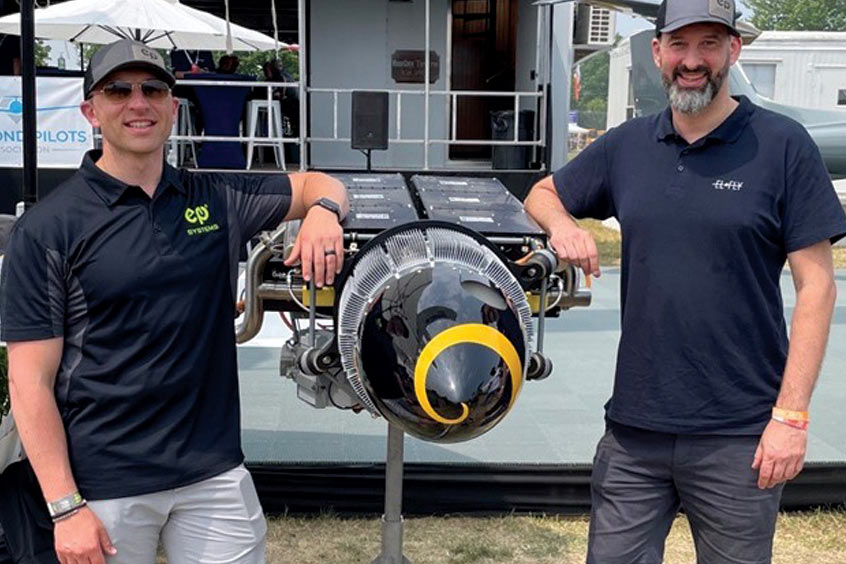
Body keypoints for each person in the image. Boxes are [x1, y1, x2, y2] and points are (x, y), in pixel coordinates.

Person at [0, 39, 348, 564]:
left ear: (173, 106)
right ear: (91, 110)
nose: (137, 103)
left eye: (153, 89)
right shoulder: (49, 228)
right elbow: (29, 382)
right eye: (118, 90)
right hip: (104, 485)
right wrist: (66, 507)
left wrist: (322, 211)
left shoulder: (215, 197)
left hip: (214, 474)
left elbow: (321, 183)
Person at [524, 0, 846, 562]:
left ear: (733, 50)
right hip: (633, 433)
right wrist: (564, 228)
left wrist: (791, 418)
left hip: (740, 437)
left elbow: (817, 286)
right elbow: (541, 194)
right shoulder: (628, 145)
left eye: (708, 45)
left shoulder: (783, 146)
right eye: (678, 45)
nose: (691, 60)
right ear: (657, 53)